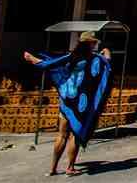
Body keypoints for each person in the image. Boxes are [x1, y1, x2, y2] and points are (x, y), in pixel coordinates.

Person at [24, 32, 112, 177]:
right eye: (94, 43)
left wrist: (34, 60)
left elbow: (50, 64)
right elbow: (107, 63)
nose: (95, 45)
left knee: (61, 134)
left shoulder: (71, 57)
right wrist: (107, 52)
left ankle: (53, 168)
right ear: (90, 44)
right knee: (74, 135)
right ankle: (70, 167)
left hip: (67, 101)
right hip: (81, 104)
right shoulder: (96, 59)